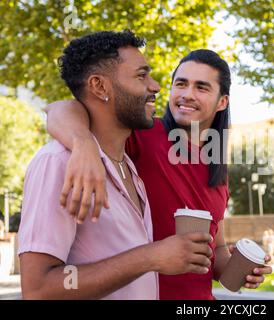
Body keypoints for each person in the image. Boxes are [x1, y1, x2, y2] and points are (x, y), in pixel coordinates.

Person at [46, 48, 273, 300]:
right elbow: (59, 109)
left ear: (222, 102)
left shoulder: (217, 166)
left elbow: (214, 248)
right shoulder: (143, 132)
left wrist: (239, 269)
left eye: (201, 87)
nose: (187, 94)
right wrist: (82, 144)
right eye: (181, 84)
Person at [18, 30, 212, 300]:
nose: (155, 86)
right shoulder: (58, 163)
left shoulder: (130, 168)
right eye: (141, 75)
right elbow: (38, 289)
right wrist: (150, 257)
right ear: (100, 87)